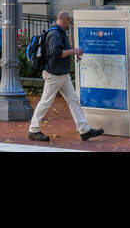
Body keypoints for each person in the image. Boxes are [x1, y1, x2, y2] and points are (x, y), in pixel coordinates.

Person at [28, 11, 103, 143]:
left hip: (62, 74)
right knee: (46, 102)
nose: (70, 23)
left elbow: (60, 52)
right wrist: (74, 51)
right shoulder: (55, 34)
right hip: (54, 74)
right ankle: (33, 130)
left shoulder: (59, 32)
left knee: (73, 100)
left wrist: (72, 52)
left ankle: (84, 130)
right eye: (69, 20)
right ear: (62, 19)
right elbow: (56, 53)